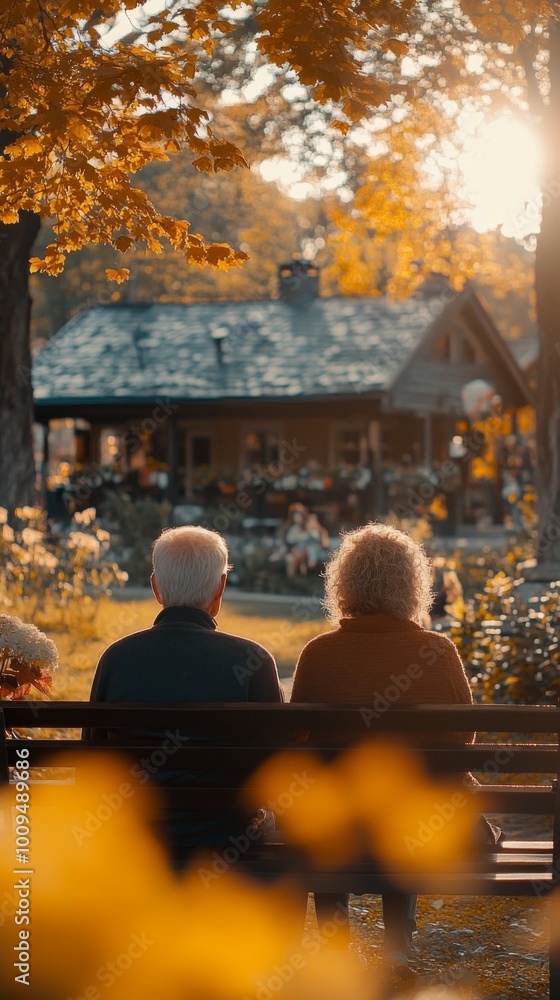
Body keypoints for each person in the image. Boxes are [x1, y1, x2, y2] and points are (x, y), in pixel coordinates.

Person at [290, 523, 474, 967]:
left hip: (337, 825)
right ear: (412, 585)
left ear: (344, 583)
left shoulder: (319, 653)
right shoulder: (437, 650)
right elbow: (465, 737)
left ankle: (335, 937)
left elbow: (297, 741)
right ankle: (397, 942)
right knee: (409, 795)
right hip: (417, 824)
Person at [88, 524, 283, 867]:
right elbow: (276, 767)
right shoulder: (253, 661)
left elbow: (94, 754)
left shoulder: (117, 659)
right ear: (220, 587)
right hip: (228, 837)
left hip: (137, 836)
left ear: (156, 587)